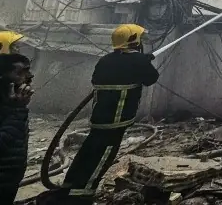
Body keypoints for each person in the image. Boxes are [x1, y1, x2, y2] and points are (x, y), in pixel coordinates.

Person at [61, 24, 159, 203]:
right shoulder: (137, 61)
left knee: (88, 152)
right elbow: (151, 78)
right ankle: (82, 196)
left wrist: (141, 61)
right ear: (134, 40)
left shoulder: (105, 60)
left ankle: (68, 187)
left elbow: (106, 76)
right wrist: (143, 61)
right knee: (102, 158)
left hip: (99, 119)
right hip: (116, 121)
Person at [0, 31, 33, 204]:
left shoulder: (7, 95)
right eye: (14, 48)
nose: (28, 77)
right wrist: (16, 111)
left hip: (6, 181)